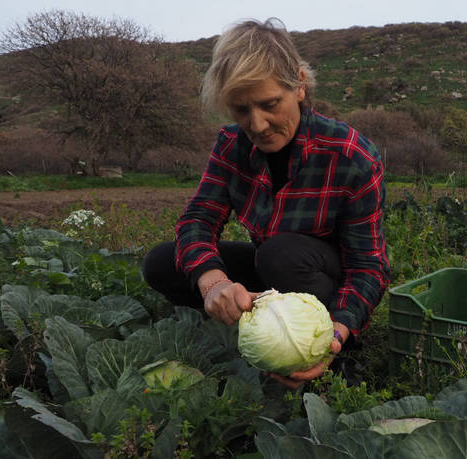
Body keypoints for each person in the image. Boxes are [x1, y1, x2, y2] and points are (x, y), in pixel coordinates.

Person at [141, 18, 390, 389]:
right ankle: (259, 333)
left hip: (324, 283)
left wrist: (336, 335)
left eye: (270, 104)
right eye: (241, 110)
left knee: (280, 254)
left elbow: (369, 269)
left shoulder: (351, 156)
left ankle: (331, 362)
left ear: (300, 87)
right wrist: (213, 284)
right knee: (161, 262)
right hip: (272, 279)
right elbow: (198, 220)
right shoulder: (230, 145)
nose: (257, 125)